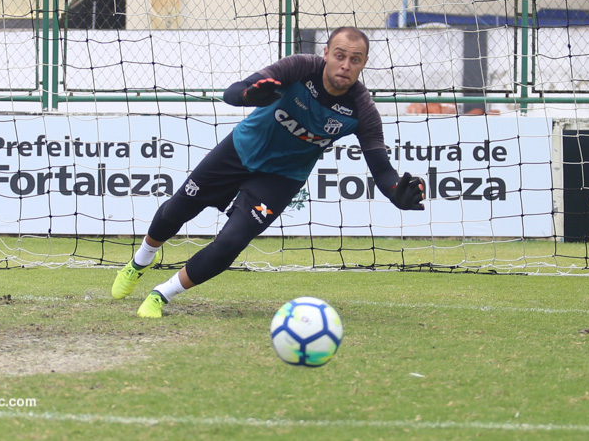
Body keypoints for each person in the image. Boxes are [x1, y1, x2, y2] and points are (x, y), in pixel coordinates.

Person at [111, 26, 426, 317]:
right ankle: (139, 261)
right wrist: (250, 96)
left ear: (363, 64)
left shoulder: (362, 111)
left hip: (280, 179)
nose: (345, 64)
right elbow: (233, 92)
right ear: (327, 53)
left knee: (232, 242)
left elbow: (381, 168)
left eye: (354, 60)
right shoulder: (300, 67)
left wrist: (395, 192)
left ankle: (160, 295)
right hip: (238, 151)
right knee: (177, 210)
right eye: (340, 55)